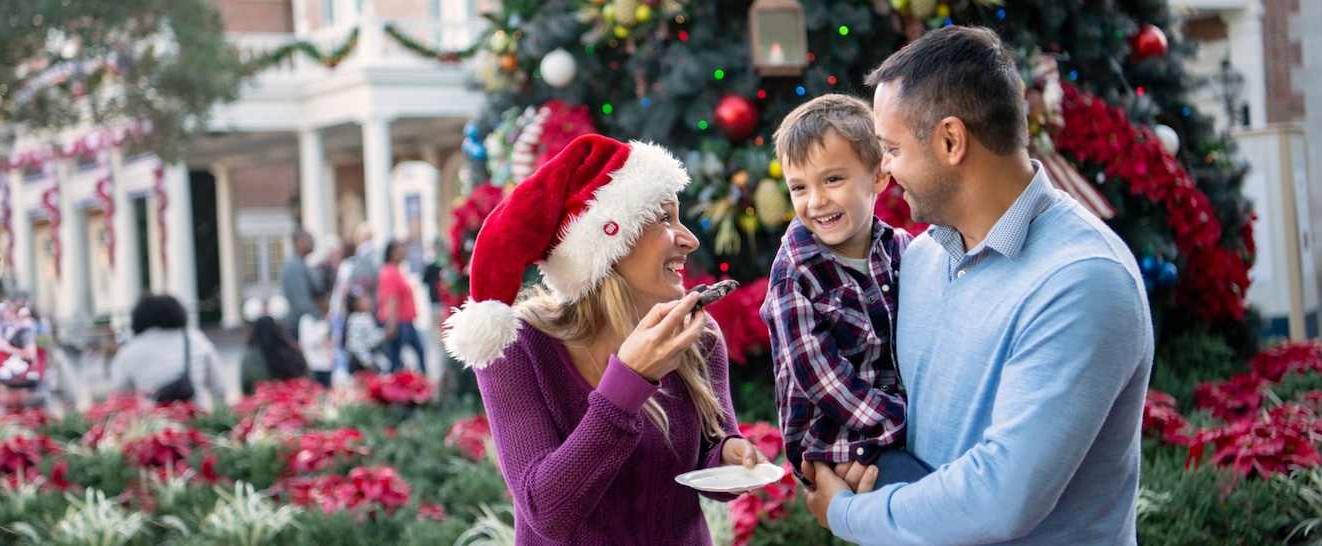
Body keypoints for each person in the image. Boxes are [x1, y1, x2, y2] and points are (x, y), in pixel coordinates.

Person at [800, 26, 1155, 545]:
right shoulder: (921, 258)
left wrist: (849, 514)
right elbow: (920, 441)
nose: (884, 168)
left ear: (950, 140)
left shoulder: (1083, 282)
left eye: (892, 148)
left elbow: (1000, 499)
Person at [443, 134, 769, 544]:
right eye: (664, 219)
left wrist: (730, 456)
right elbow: (546, 513)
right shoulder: (519, 349)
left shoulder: (698, 337)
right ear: (608, 241)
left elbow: (709, 449)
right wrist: (629, 380)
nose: (690, 239)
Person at [761, 94, 915, 487]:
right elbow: (819, 377)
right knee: (926, 502)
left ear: (879, 176)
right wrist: (901, 421)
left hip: (900, 422)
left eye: (832, 179)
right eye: (799, 187)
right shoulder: (794, 272)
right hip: (835, 442)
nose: (816, 201)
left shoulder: (901, 249)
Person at [109, 294, 228, 410]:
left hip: (150, 425)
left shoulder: (130, 351)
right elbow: (219, 388)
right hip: (195, 422)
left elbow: (120, 395)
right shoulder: (196, 340)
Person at [377, 240, 426, 374]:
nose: (403, 252)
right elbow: (391, 299)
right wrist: (391, 324)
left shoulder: (397, 271)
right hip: (398, 322)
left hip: (406, 321)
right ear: (392, 254)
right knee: (395, 358)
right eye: (399, 249)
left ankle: (423, 382)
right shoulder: (389, 272)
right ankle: (392, 389)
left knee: (418, 351)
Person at [238, 315, 309, 396]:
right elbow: (305, 378)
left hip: (261, 403)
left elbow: (244, 387)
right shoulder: (292, 351)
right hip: (292, 400)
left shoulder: (249, 357)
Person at [282, 229, 325, 340]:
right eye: (309, 239)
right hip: (301, 326)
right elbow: (301, 301)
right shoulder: (294, 267)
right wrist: (317, 316)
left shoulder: (302, 264)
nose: (312, 243)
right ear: (298, 241)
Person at [343, 289, 386, 374]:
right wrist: (367, 361)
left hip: (369, 357)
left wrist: (383, 334)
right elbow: (356, 344)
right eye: (364, 299)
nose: (368, 301)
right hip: (359, 361)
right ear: (356, 304)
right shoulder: (355, 319)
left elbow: (371, 339)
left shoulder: (367, 316)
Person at [299, 296, 335, 387]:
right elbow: (308, 342)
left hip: (328, 366)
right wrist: (324, 328)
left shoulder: (328, 318)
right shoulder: (307, 319)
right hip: (314, 366)